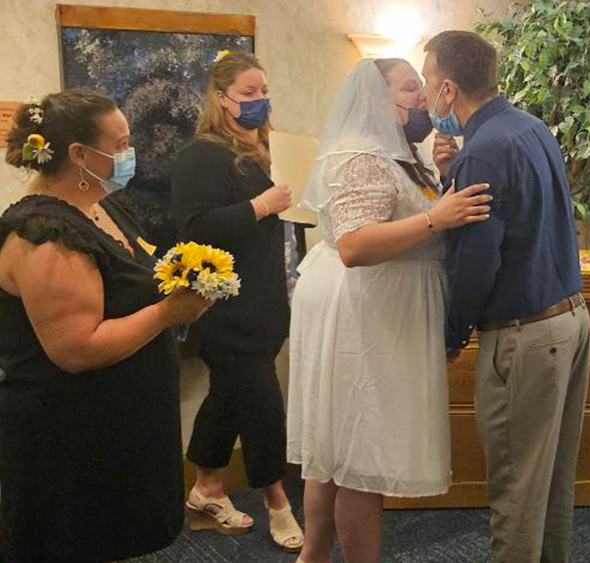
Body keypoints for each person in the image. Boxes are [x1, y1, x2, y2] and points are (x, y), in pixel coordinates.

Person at [287, 58, 491, 563]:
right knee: (359, 455)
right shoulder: (361, 155)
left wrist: (441, 179)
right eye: (409, 88)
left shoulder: (396, 154)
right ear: (378, 98)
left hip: (383, 311)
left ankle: (312, 556)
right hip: (367, 316)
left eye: (422, 87)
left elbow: (404, 211)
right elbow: (356, 246)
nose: (423, 97)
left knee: (338, 453)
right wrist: (436, 221)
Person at [0, 89, 211, 562]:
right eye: (119, 145)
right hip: (72, 438)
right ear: (78, 154)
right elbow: (76, 349)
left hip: (120, 424)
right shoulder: (46, 236)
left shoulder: (101, 204)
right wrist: (167, 313)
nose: (128, 154)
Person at [424, 31, 590, 563]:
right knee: (552, 482)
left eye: (428, 81)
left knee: (516, 490)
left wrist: (452, 334)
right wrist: (455, 172)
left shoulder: (485, 149)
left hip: (525, 337)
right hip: (570, 321)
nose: (427, 93)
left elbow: (478, 260)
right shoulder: (529, 127)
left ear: (449, 89)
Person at [170, 50, 303, 551]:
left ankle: (206, 491)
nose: (260, 101)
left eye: (264, 91)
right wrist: (260, 205)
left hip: (266, 299)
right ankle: (277, 503)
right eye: (248, 94)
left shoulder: (269, 149)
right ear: (221, 98)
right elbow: (195, 226)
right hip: (226, 308)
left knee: (228, 399)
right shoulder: (202, 156)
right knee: (263, 405)